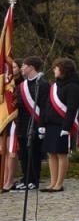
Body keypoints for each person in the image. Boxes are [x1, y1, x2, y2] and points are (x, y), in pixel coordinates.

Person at [39, 58, 79, 193]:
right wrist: (42, 123)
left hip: (62, 125)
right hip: (51, 124)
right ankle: (52, 183)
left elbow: (71, 109)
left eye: (56, 68)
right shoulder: (55, 86)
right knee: (51, 153)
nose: (54, 70)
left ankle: (59, 183)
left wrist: (66, 127)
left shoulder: (73, 87)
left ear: (64, 70)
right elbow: (46, 106)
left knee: (61, 154)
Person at [12, 57, 46, 190]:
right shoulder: (22, 85)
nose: (21, 68)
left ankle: (34, 179)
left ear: (31, 67)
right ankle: (25, 178)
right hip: (22, 123)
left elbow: (43, 106)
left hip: (36, 123)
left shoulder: (42, 84)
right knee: (24, 155)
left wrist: (42, 125)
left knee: (34, 153)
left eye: (24, 66)